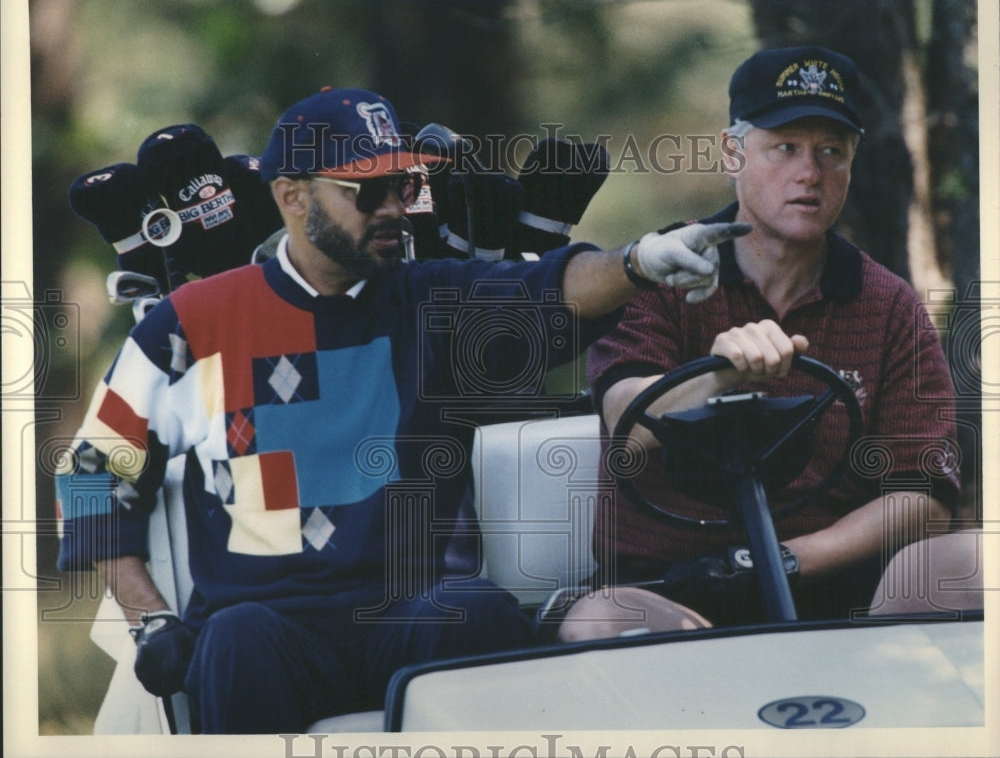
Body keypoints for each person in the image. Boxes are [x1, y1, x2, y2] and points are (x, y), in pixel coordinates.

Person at [54, 86, 749, 733]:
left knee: (480, 614)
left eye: (403, 185)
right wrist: (152, 620)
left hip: (413, 616)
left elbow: (549, 287)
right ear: (293, 197)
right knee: (234, 640)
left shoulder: (431, 298)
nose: (394, 206)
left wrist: (638, 262)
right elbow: (88, 472)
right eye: (368, 190)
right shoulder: (192, 322)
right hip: (270, 629)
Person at [557, 46, 966, 641]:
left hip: (830, 578)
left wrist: (788, 559)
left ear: (852, 162)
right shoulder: (658, 272)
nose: (810, 173)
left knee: (980, 565)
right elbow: (629, 427)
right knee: (600, 621)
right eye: (786, 148)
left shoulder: (889, 304)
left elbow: (922, 497)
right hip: (671, 582)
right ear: (733, 153)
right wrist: (721, 375)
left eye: (832, 151)